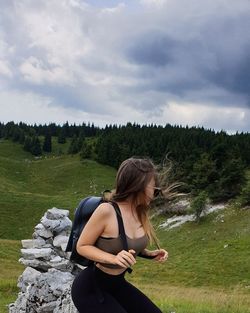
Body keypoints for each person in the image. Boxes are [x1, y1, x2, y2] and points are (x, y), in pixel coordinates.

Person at [71, 157, 169, 313]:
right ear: (139, 185)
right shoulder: (107, 211)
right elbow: (82, 246)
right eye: (153, 187)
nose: (155, 192)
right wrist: (113, 258)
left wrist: (150, 254)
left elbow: (126, 245)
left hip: (117, 285)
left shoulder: (139, 211)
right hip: (90, 289)